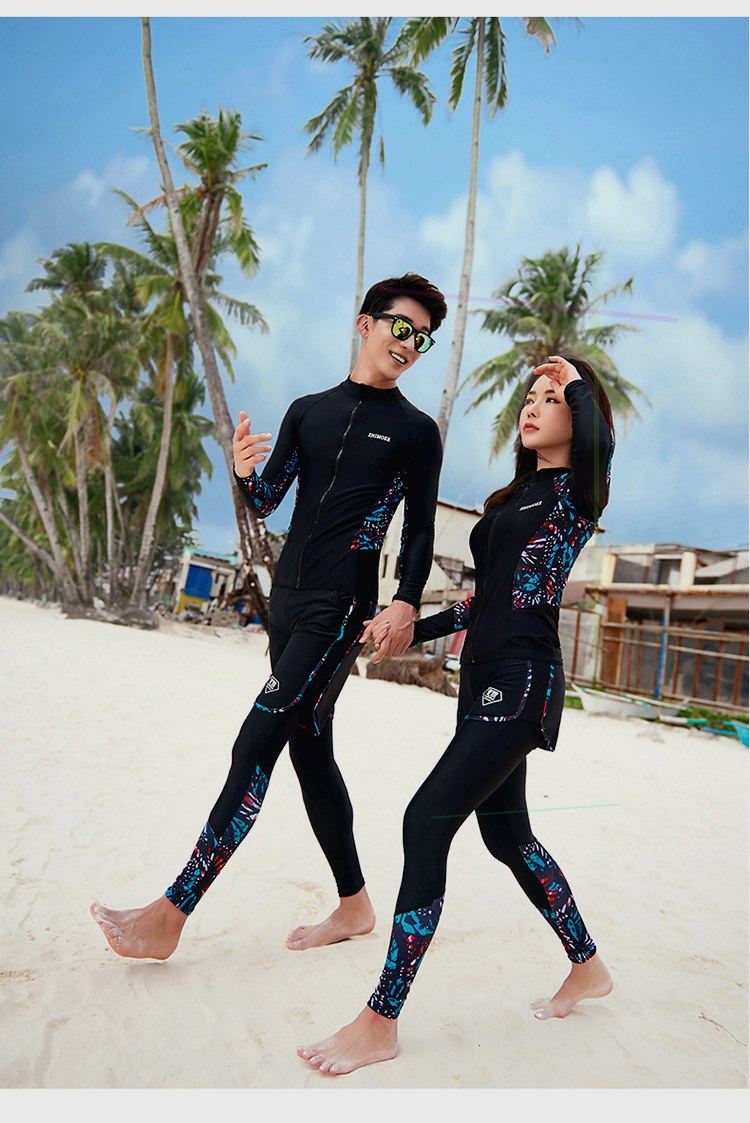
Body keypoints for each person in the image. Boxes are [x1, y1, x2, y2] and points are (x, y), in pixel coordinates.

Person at [90, 273, 446, 960]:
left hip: (340, 608)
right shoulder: (308, 411)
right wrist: (243, 468)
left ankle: (169, 914)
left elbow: (423, 528)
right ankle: (355, 905)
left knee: (254, 743)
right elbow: (267, 499)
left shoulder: (415, 432)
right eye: (401, 327)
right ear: (365, 323)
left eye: (422, 339)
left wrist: (405, 599)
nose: (409, 344)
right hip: (288, 603)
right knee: (310, 748)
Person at [298, 353, 616, 1076]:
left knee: (426, 818)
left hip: (524, 681)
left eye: (551, 398)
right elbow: (485, 599)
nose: (533, 406)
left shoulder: (579, 493)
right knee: (509, 836)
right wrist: (410, 628)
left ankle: (381, 1018)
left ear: (579, 416)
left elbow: (598, 442)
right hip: (482, 682)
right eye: (530, 396)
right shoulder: (515, 498)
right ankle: (588, 966)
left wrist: (575, 381)